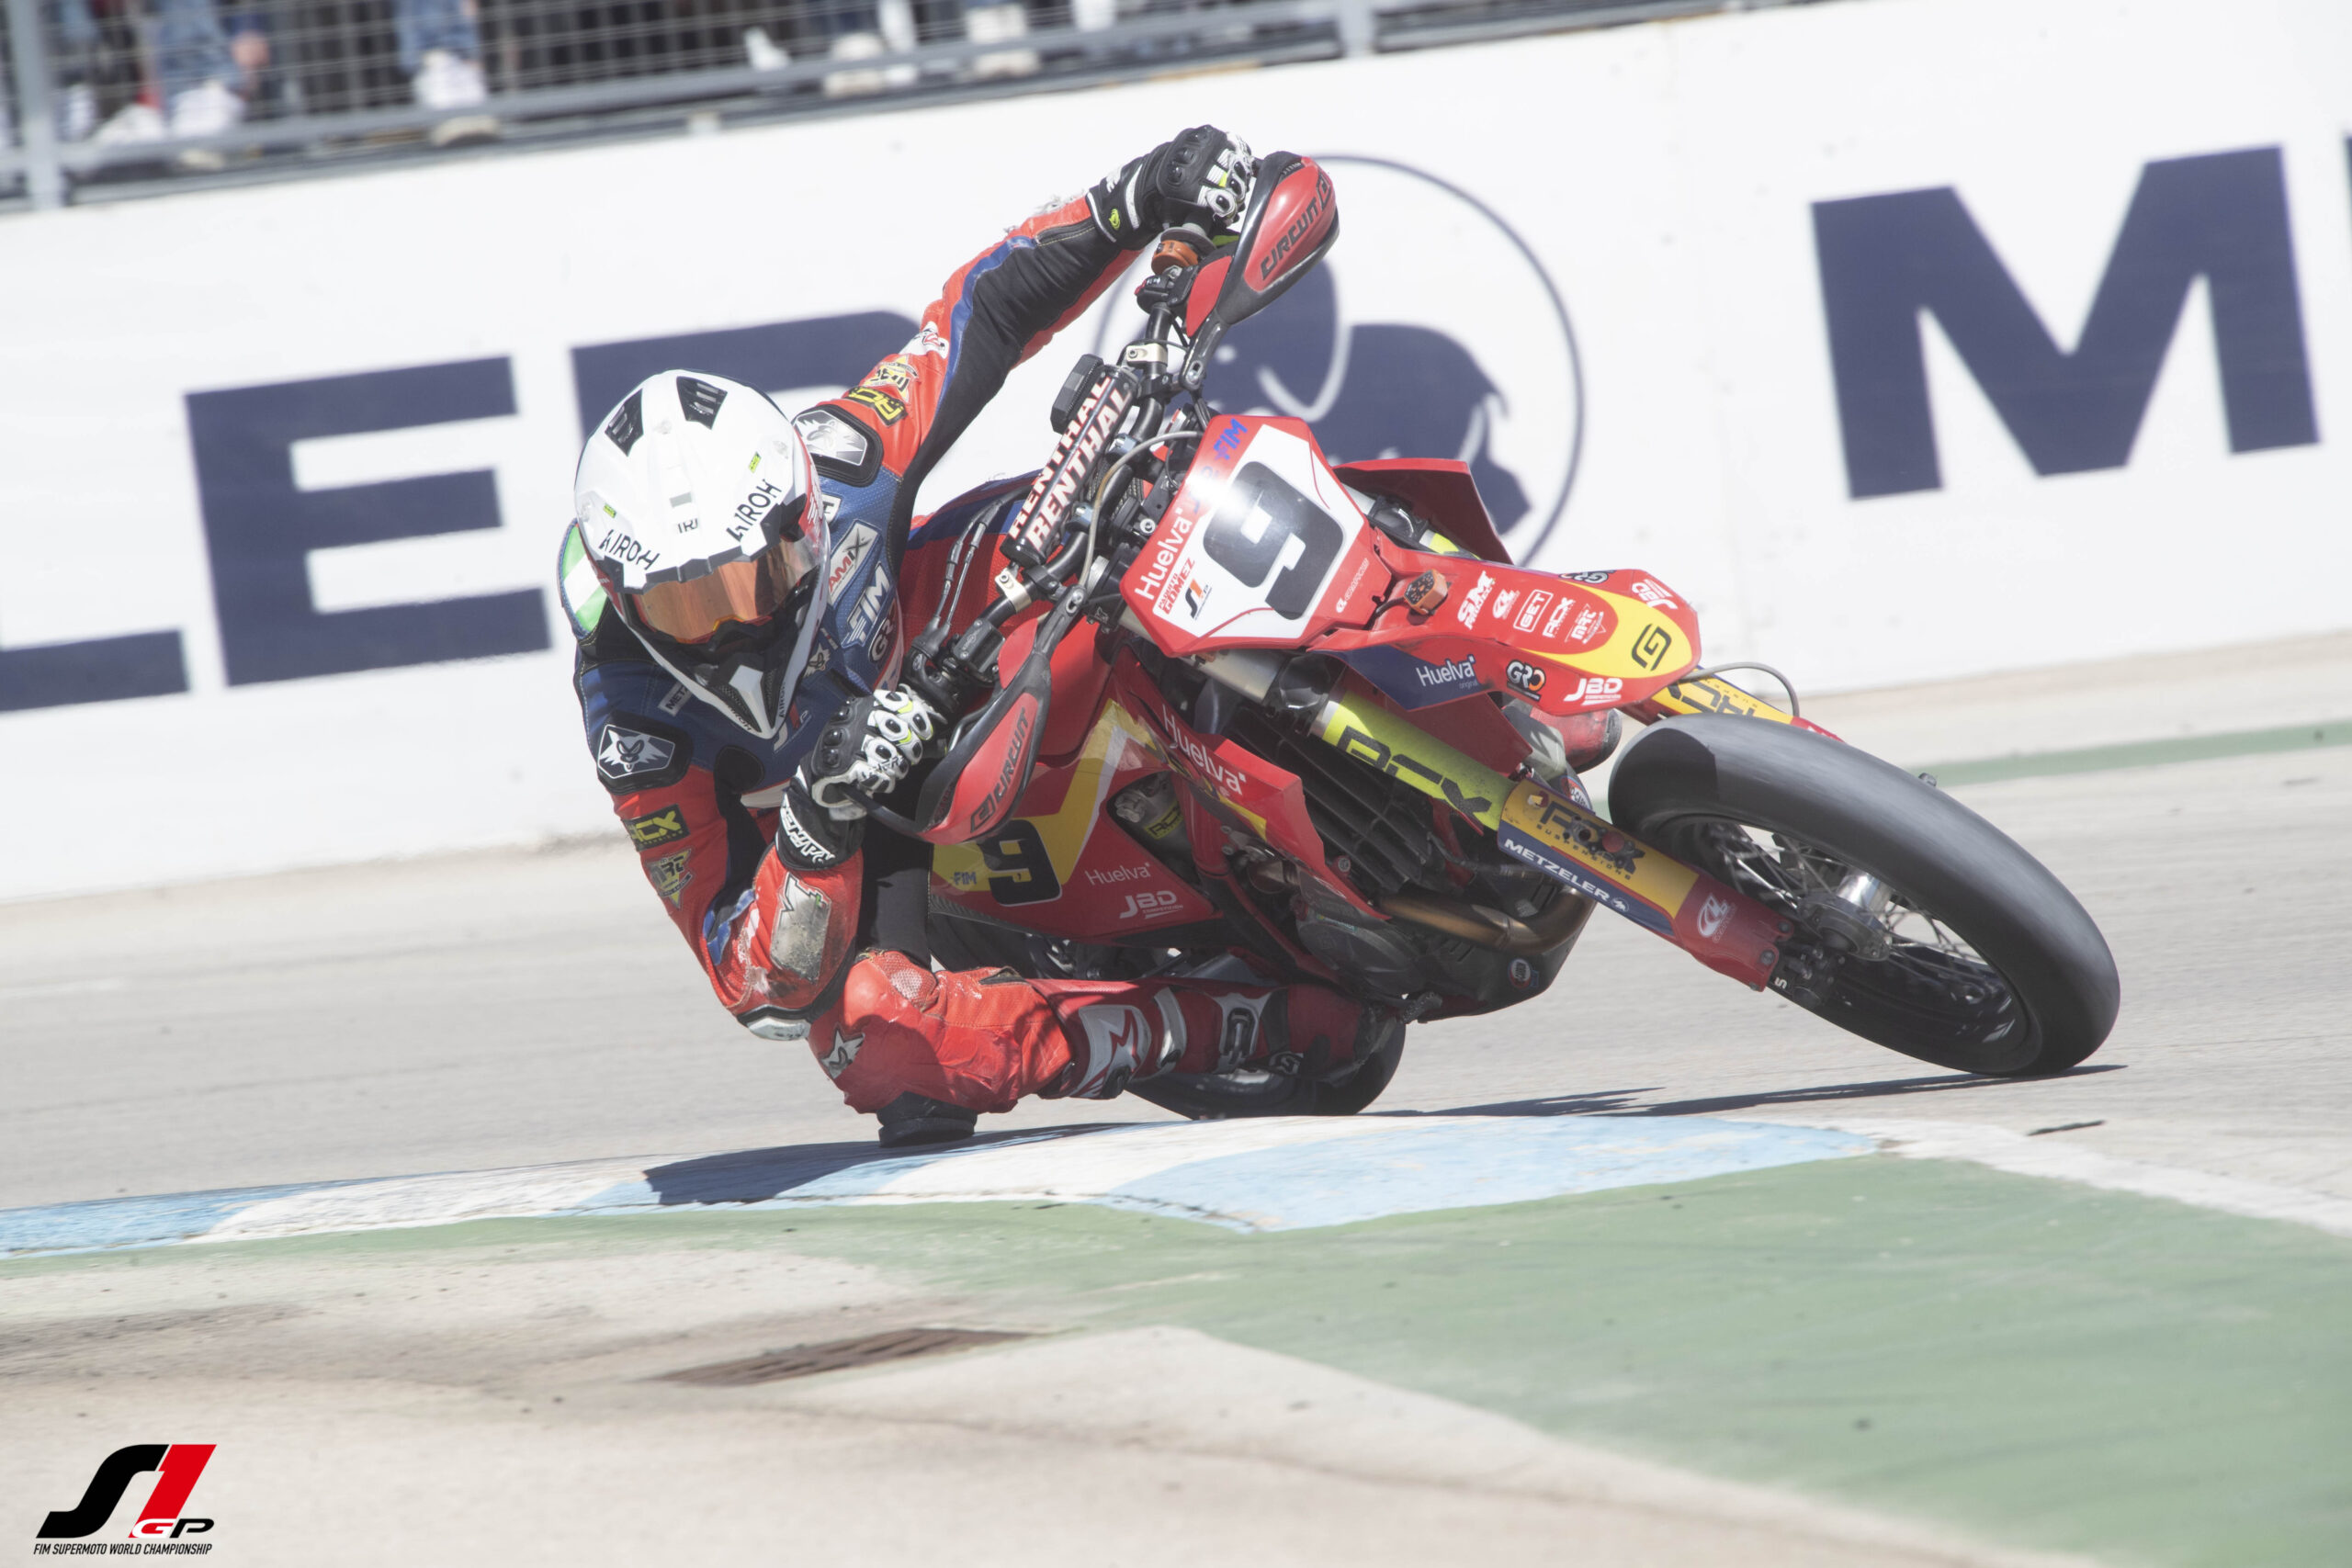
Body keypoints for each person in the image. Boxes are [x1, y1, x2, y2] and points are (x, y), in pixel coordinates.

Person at [562, 127, 1399, 1147]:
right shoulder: (637, 727)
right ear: (624, 597)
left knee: (1154, 492)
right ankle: (1221, 1025)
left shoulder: (843, 462)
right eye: (688, 607)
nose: (733, 624)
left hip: (971, 606)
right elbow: (752, 985)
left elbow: (979, 315)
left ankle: (1414, 602)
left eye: (753, 577)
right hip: (870, 815)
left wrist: (1128, 201)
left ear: (801, 517)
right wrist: (818, 817)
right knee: (882, 1051)